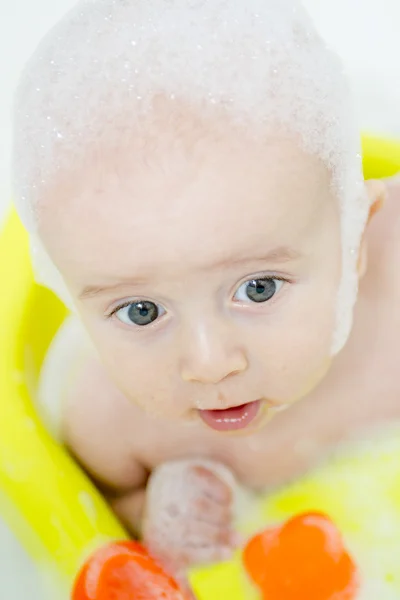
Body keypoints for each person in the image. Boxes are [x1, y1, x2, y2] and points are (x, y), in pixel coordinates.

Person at [12, 0, 396, 584]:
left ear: (356, 236)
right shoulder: (112, 428)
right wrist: (159, 515)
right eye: (141, 312)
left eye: (259, 288)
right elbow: (94, 523)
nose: (210, 364)